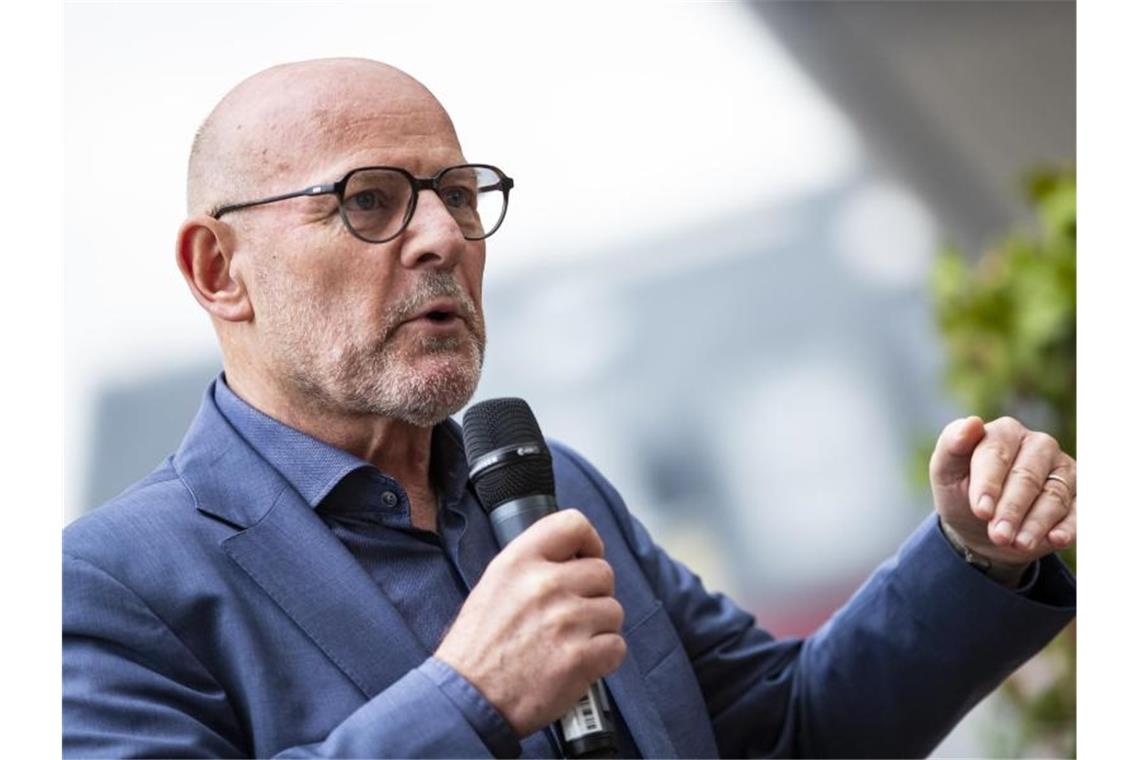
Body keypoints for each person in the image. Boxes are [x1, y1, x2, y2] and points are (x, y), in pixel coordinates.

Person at [63, 58, 1076, 758]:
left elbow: (787, 731)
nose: (441, 238)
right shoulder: (103, 591)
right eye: (369, 200)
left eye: (458, 195)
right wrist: (469, 700)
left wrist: (974, 550)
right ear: (218, 268)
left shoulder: (548, 491)